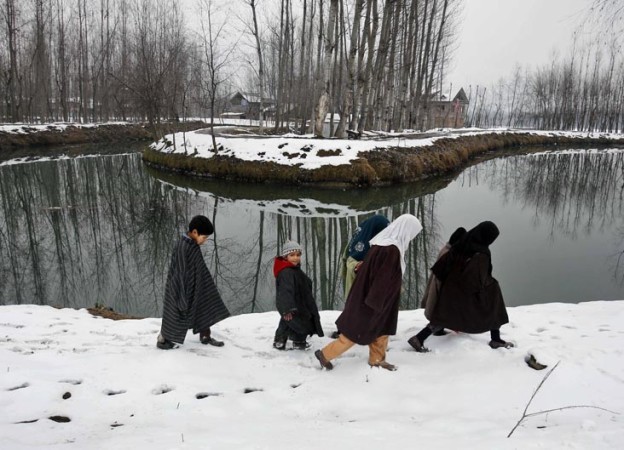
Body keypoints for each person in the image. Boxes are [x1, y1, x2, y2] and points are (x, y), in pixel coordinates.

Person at [314, 214, 423, 371]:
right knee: (354, 333)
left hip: (374, 299)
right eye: (412, 232)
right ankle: (324, 354)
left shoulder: (382, 244)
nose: (411, 236)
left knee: (381, 331)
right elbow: (382, 278)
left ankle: (377, 359)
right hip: (372, 301)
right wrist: (376, 304)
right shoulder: (391, 249)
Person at [407, 221, 513, 353]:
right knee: (494, 302)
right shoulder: (481, 253)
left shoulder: (464, 241)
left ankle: (419, 338)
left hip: (451, 287)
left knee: (445, 315)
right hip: (464, 291)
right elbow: (477, 279)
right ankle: (495, 339)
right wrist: (491, 286)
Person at [157, 215, 231, 350]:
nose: (204, 241)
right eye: (204, 237)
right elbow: (179, 273)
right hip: (181, 287)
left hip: (198, 285)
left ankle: (205, 336)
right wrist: (182, 295)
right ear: (195, 232)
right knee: (175, 313)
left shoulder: (193, 244)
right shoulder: (183, 247)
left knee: (204, 307)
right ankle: (163, 340)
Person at [333, 214, 390, 338]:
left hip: (366, 281)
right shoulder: (361, 244)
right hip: (356, 280)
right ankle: (345, 331)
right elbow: (350, 259)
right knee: (356, 305)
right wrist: (357, 265)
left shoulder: (373, 240)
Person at [273, 240, 324, 350]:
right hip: (291, 305)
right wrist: (287, 308)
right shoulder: (286, 272)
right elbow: (285, 291)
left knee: (303, 322)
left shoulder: (294, 269)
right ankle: (279, 341)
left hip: (300, 303)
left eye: (298, 255)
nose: (296, 258)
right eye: (292, 255)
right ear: (286, 257)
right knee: (287, 321)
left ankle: (299, 340)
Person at [420, 227, 467, 336]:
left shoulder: (446, 248)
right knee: (439, 309)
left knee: (439, 309)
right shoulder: (448, 253)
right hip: (440, 284)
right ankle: (422, 337)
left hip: (437, 282)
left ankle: (436, 330)